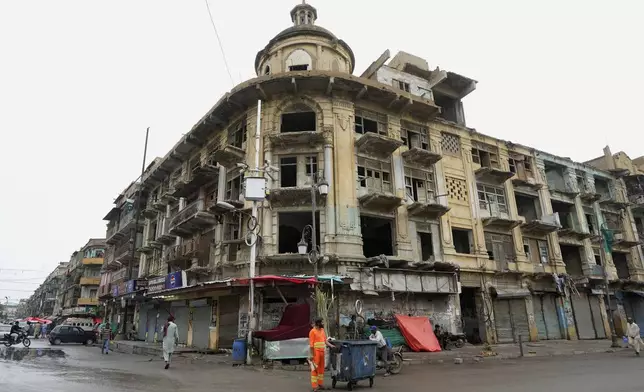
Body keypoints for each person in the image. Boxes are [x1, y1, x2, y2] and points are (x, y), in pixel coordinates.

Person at [309, 318, 335, 391]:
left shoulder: (322, 330)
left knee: (321, 369)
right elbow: (311, 345)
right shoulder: (312, 332)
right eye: (322, 322)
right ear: (318, 323)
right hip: (315, 353)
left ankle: (320, 384)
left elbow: (325, 341)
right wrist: (311, 355)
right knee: (314, 369)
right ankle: (314, 386)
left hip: (322, 352)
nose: (323, 324)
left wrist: (331, 345)